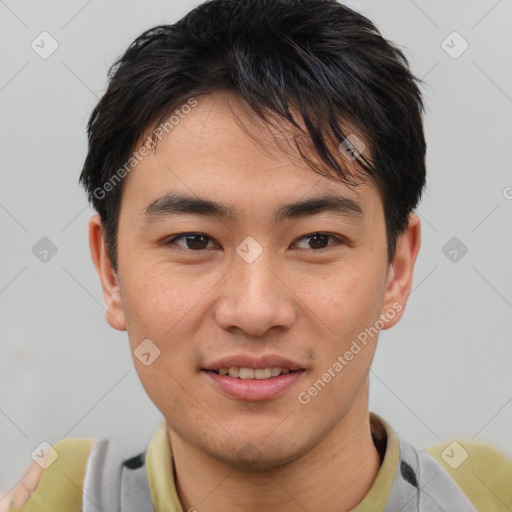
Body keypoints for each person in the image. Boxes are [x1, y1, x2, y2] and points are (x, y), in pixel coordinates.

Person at [5, 0, 511, 510]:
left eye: (316, 240)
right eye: (194, 240)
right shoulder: (59, 495)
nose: (255, 310)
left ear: (397, 272)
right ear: (110, 270)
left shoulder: (484, 495)